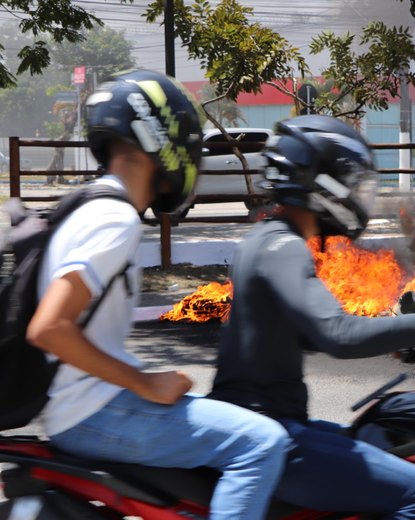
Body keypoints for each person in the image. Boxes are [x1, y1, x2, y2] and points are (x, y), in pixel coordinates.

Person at [26, 69, 289, 520]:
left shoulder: (90, 204)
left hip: (88, 403)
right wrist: (143, 382)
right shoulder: (114, 218)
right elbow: (49, 328)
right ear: (160, 139)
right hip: (93, 411)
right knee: (262, 443)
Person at [208, 115, 415, 520]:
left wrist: (391, 335)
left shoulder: (263, 240)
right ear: (322, 184)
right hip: (270, 432)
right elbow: (338, 335)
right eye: (350, 182)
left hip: (257, 421)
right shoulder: (284, 247)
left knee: (381, 444)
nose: (356, 194)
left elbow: (302, 335)